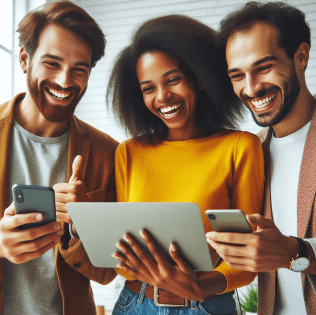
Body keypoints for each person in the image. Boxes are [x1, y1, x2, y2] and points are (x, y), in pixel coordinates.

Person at [106, 14, 264, 315]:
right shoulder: (129, 152)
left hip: (205, 305)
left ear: (199, 78)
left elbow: (247, 257)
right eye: (148, 88)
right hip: (134, 304)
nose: (163, 96)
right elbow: (123, 256)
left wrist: (198, 287)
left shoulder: (240, 147)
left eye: (173, 79)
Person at [0, 1, 117, 314]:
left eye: (79, 69)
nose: (66, 81)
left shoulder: (108, 154)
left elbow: (108, 272)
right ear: (25, 59)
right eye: (52, 63)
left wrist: (84, 225)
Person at [206, 2, 316, 314]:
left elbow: (288, 254)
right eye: (237, 75)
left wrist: (296, 251)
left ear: (301, 57)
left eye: (264, 67)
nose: (251, 88)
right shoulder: (248, 152)